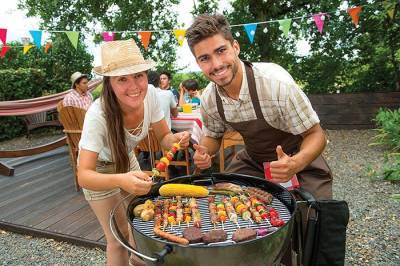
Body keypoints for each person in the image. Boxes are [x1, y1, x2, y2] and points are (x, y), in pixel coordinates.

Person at [186, 14, 332, 200]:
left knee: (314, 214)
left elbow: (316, 135)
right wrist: (204, 152)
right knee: (226, 200)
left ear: (236, 47)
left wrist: (295, 163)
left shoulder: (276, 84)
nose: (216, 64)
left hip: (300, 159)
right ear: (198, 63)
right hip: (254, 162)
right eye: (205, 58)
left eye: (221, 50)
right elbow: (212, 136)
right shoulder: (209, 98)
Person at [77, 39, 190, 266]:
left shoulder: (152, 95)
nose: (134, 86)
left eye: (138, 75)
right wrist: (121, 180)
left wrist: (175, 140)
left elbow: (164, 138)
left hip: (126, 159)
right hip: (98, 170)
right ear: (109, 83)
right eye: (122, 79)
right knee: (117, 239)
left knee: (138, 226)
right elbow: (83, 175)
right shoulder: (97, 115)